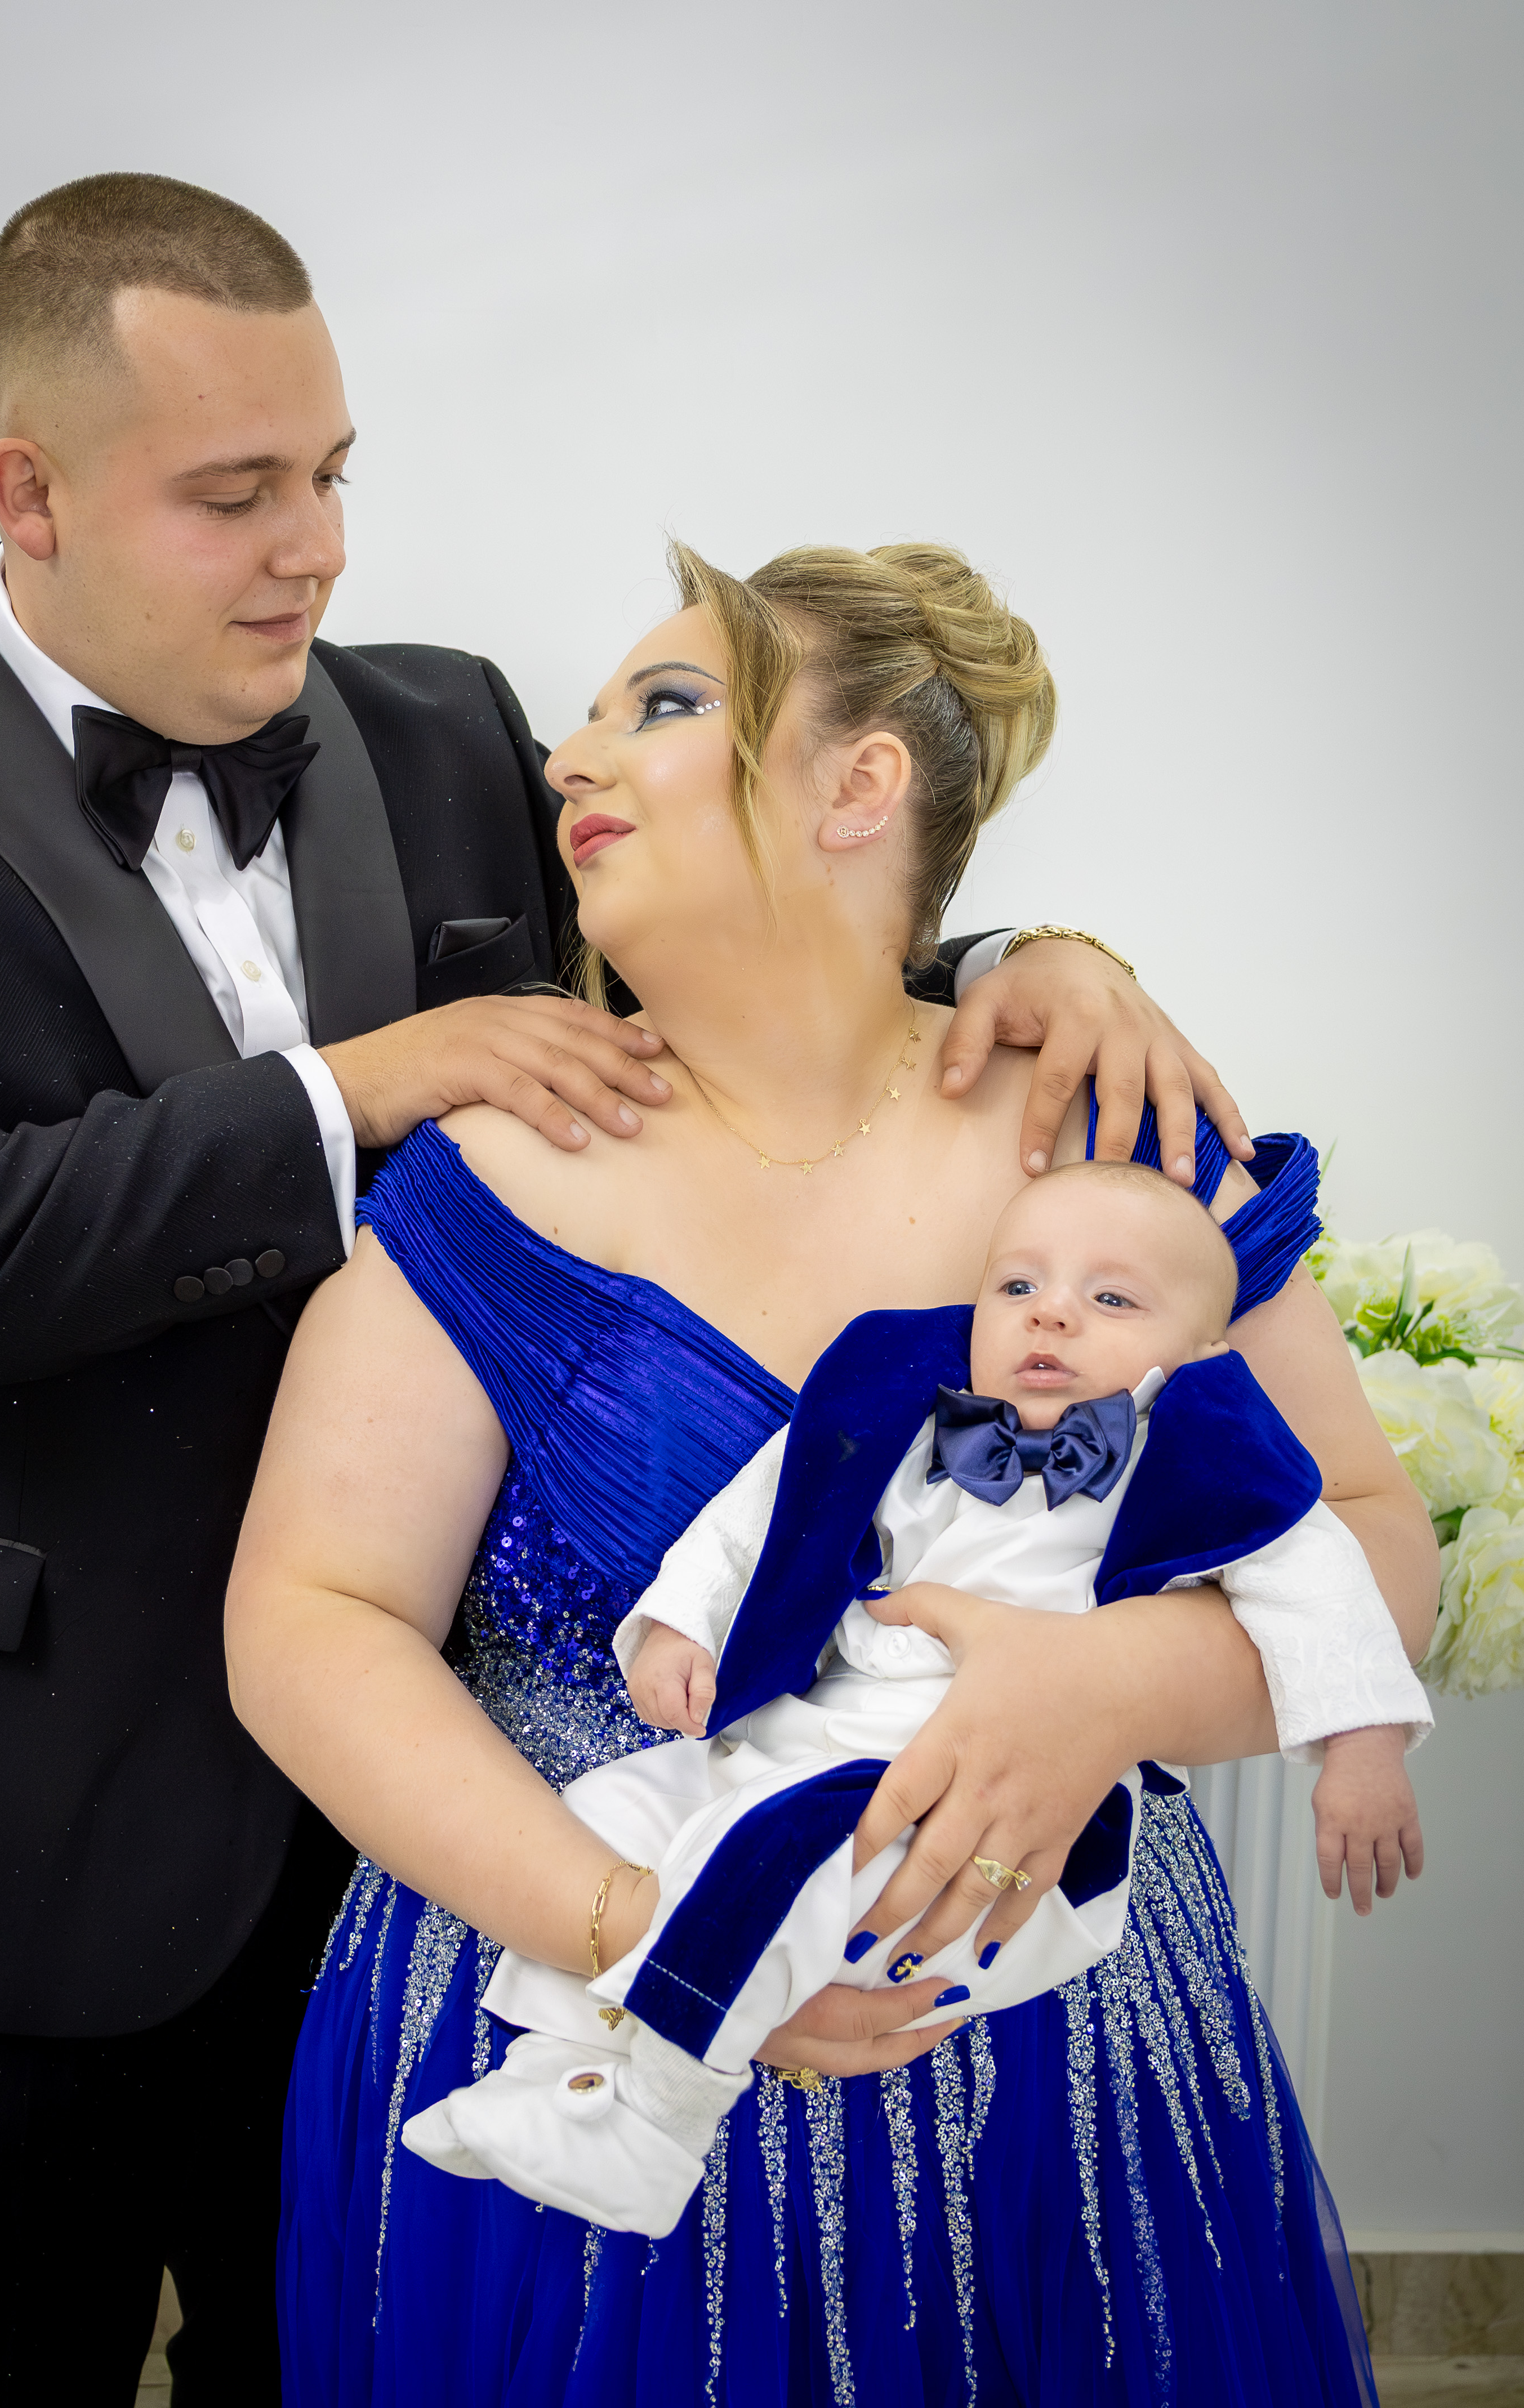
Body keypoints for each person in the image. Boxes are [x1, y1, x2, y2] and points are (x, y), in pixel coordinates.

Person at [0, 176, 1201, 2405]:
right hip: (19, 1841)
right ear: (29, 492)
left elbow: (739, 979)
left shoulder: (449, 726)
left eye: (333, 474)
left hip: (446, 1845)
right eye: (236, 495)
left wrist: (1043, 958)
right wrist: (356, 1086)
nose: (317, 549)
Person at [227, 537, 1440, 2404]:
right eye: (582, 718)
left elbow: (1366, 1534)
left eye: (662, 703)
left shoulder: (1108, 1144)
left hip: (1041, 2051)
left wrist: (1115, 1681)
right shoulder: (490, 1174)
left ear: (860, 784)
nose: (569, 755)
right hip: (571, 2004)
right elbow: (313, 1619)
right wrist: (639, 1936)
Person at [402, 1158, 1431, 2240]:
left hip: (983, 1800)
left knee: (777, 1861)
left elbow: (1322, 1585)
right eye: (1018, 1285)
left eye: (1112, 1298)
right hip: (805, 1738)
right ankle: (563, 2074)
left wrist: (1361, 1747)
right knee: (610, 1811)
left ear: (1203, 1353)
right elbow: (765, 1507)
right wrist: (679, 1623)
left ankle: (658, 2119)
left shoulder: (1195, 1460)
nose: (1052, 1314)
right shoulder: (912, 1423)